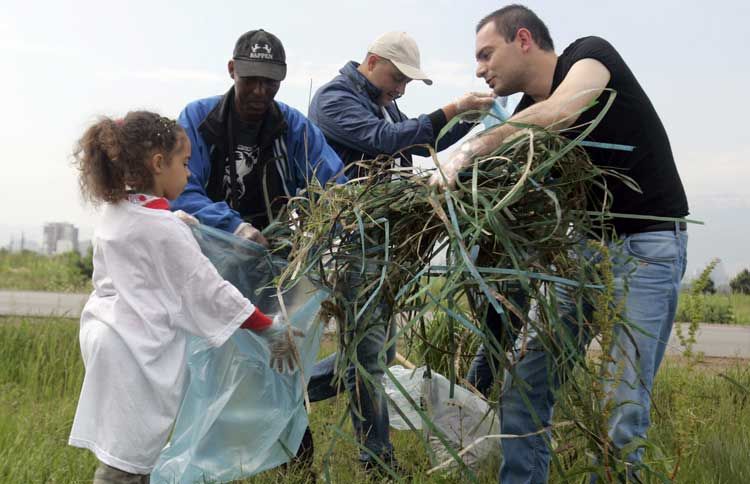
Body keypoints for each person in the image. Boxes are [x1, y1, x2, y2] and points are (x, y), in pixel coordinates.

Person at [433, 5, 689, 482]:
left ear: (524, 40)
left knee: (623, 403)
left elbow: (563, 110)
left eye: (487, 54)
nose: (479, 68)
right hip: (583, 254)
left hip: (647, 247)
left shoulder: (589, 58)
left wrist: (471, 149)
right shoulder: (524, 114)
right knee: (524, 383)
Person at [67, 111, 301, 483]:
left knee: (128, 451)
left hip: (106, 335)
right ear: (159, 164)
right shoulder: (162, 229)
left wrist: (177, 221)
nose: (190, 174)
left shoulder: (118, 211)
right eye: (185, 163)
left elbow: (143, 243)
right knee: (127, 463)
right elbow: (209, 291)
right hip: (133, 352)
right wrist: (266, 327)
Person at [305, 31, 494, 472]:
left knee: (380, 354)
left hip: (382, 241)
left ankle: (288, 392)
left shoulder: (382, 100)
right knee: (368, 358)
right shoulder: (335, 99)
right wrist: (453, 108)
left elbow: (414, 141)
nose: (401, 89)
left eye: (407, 83)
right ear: (371, 61)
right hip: (351, 241)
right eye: (397, 78)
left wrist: (471, 120)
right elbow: (386, 140)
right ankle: (379, 462)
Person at [171, 29, 344, 246]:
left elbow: (335, 188)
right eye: (251, 79)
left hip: (270, 244)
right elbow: (178, 189)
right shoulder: (198, 118)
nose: (260, 91)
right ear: (232, 70)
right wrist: (233, 226)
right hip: (207, 243)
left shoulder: (295, 127)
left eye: (270, 81)